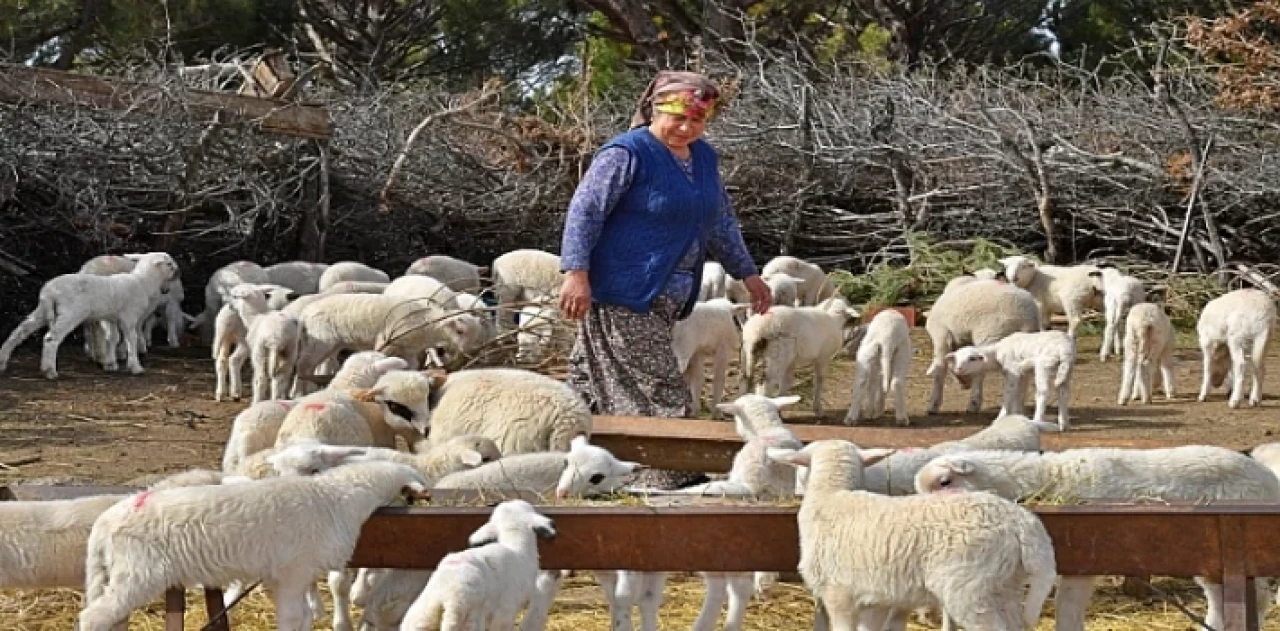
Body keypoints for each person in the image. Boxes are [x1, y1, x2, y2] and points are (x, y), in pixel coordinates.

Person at [557, 70, 772, 489]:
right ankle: (672, 475)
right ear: (655, 109)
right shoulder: (627, 154)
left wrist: (747, 273)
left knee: (594, 381)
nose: (687, 129)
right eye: (678, 118)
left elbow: (721, 221)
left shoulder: (703, 159)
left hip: (668, 297)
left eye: (698, 121)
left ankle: (585, 471)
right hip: (624, 290)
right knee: (658, 386)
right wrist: (576, 272)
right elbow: (585, 211)